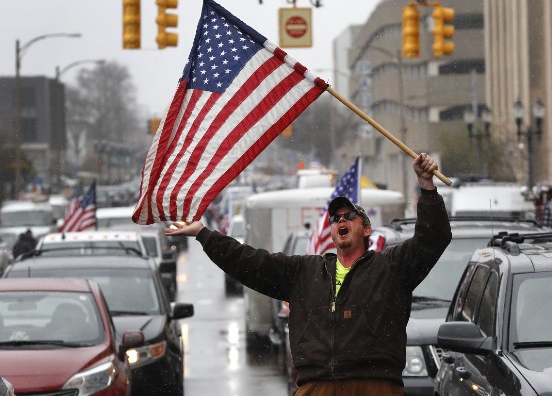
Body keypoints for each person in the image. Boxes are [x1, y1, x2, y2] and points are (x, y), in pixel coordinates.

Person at [165, 153, 452, 396]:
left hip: (374, 385)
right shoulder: (306, 271)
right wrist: (204, 234)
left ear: (366, 230)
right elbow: (249, 263)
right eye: (335, 218)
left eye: (348, 216)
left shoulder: (389, 268)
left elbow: (432, 239)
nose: (340, 220)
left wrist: (426, 187)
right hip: (316, 386)